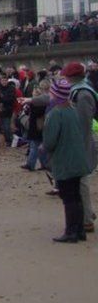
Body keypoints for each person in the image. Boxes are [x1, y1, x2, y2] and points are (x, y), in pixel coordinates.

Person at [44, 78, 91, 243]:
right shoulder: (73, 110)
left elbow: (49, 141)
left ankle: (71, 232)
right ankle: (79, 231)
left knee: (68, 197)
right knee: (76, 195)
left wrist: (45, 147)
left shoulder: (55, 113)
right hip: (78, 159)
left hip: (65, 160)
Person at [63, 62, 98, 232]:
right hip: (81, 143)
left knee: (81, 182)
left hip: (81, 145)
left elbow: (83, 125)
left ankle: (86, 220)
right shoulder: (80, 91)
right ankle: (88, 214)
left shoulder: (83, 94)